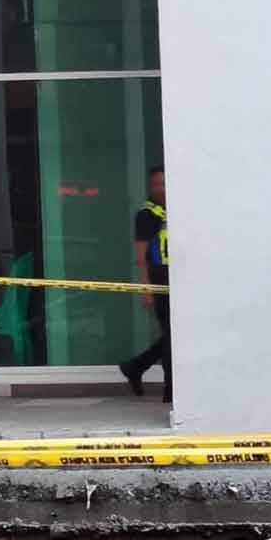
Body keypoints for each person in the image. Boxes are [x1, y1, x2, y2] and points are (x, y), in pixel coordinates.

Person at [119, 166, 172, 403]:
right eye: (157, 184)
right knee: (172, 337)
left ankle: (136, 366)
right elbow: (140, 255)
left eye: (165, 183)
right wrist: (147, 288)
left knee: (175, 336)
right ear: (151, 187)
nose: (162, 188)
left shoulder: (175, 209)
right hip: (159, 279)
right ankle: (170, 392)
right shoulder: (146, 214)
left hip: (179, 279)